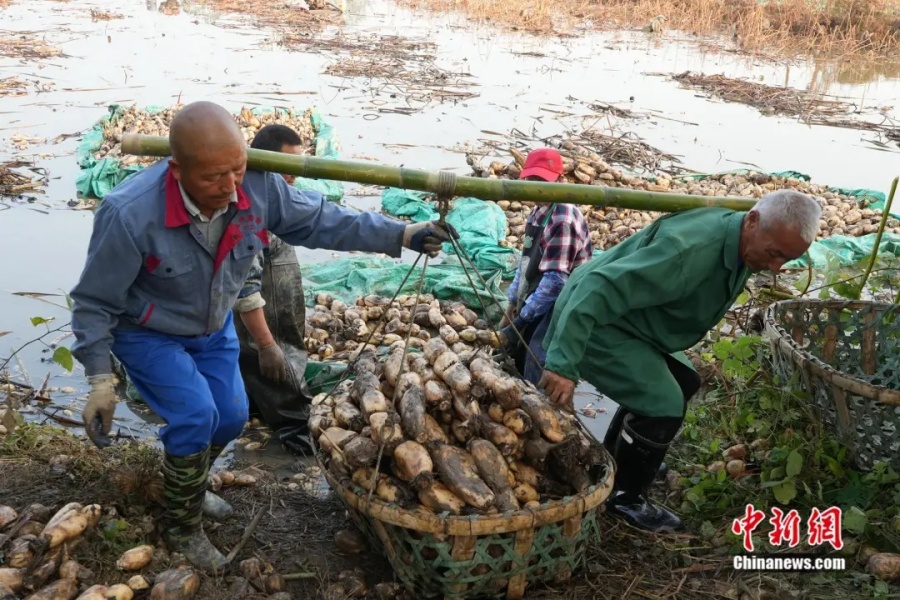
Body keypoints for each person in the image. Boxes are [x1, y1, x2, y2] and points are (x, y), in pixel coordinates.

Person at [69, 101, 456, 571]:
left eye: (237, 170)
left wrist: (401, 234)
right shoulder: (129, 213)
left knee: (230, 418)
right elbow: (94, 300)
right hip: (150, 331)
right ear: (176, 169)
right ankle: (181, 526)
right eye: (214, 178)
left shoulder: (256, 186)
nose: (231, 188)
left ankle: (187, 485)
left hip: (213, 328)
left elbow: (323, 220)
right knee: (194, 416)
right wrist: (99, 380)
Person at [538, 190, 822, 533]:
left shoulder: (745, 240)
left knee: (686, 380)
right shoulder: (689, 252)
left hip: (634, 319)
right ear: (752, 220)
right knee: (663, 404)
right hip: (597, 319)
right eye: (774, 254)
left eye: (787, 260)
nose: (776, 267)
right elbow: (597, 288)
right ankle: (626, 498)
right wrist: (562, 363)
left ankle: (618, 457)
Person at [231, 124, 315, 455]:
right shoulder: (252, 211)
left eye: (299, 165)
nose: (294, 174)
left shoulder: (279, 204)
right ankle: (296, 439)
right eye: (287, 166)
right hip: (265, 328)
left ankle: (258, 411)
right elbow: (245, 288)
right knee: (281, 379)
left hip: (282, 321)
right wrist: (266, 344)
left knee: (278, 369)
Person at [498, 148, 593, 386]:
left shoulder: (563, 217)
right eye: (533, 180)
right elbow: (525, 261)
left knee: (538, 357)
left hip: (564, 300)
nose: (537, 186)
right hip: (539, 291)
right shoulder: (537, 211)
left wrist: (524, 317)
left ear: (559, 180)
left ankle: (544, 406)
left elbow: (556, 282)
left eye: (543, 181)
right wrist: (513, 302)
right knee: (517, 349)